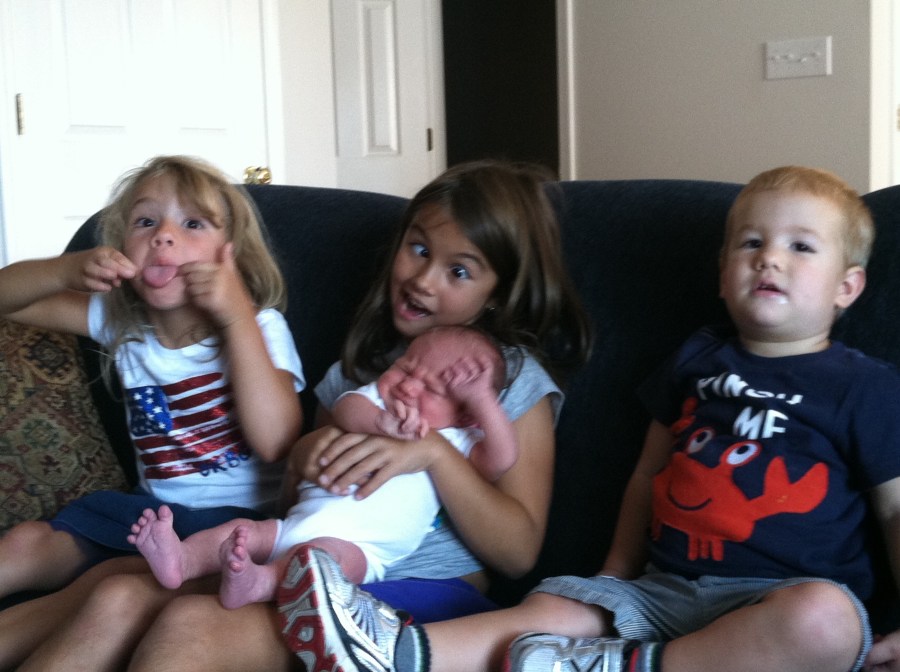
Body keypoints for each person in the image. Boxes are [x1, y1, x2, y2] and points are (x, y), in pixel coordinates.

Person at [287, 165, 900, 672]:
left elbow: (895, 509)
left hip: (778, 595)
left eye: (800, 247)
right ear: (722, 273)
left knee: (826, 621)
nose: (769, 260)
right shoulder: (692, 363)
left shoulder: (864, 386)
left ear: (848, 287)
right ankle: (392, 650)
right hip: (662, 590)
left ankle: (630, 665)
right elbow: (647, 476)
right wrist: (613, 574)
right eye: (751, 243)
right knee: (551, 610)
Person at [3, 159, 591, 672]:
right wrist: (311, 454)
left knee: (189, 623)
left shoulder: (506, 381)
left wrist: (431, 453)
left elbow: (517, 553)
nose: (422, 278)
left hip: (419, 590)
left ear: (497, 293)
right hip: (303, 561)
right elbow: (292, 491)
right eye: (418, 249)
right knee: (116, 595)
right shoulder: (354, 376)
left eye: (459, 271)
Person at [0, 155, 304, 660]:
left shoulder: (260, 327)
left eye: (192, 224)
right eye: (145, 222)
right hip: (147, 512)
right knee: (28, 543)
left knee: (107, 585)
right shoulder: (121, 323)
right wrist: (64, 269)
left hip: (229, 527)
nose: (163, 236)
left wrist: (235, 316)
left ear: (232, 254)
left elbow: (276, 440)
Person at [129, 324, 516, 608]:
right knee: (243, 531)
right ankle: (183, 559)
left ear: (466, 415)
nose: (409, 386)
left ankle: (261, 583)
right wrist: (382, 423)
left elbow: (500, 461)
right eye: (406, 368)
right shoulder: (376, 402)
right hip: (292, 525)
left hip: (359, 550)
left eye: (431, 389)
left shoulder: (457, 440)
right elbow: (348, 409)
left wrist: (482, 400)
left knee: (320, 562)